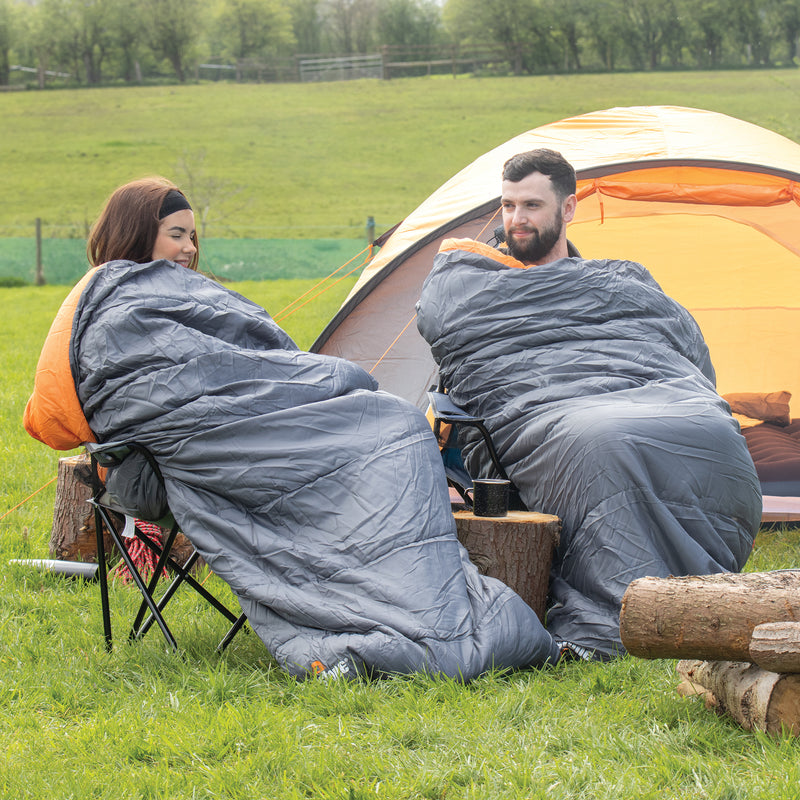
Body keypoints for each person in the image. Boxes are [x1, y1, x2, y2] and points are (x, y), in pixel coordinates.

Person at [23, 176, 563, 680]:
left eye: (193, 236)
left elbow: (257, 357)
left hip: (252, 426)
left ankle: (426, 610)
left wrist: (305, 383)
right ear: (138, 233)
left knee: (392, 424)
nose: (189, 249)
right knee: (388, 428)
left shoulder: (180, 293)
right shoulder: (116, 308)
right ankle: (398, 628)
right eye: (176, 235)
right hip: (191, 455)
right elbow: (158, 387)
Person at [416, 148, 762, 660]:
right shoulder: (475, 283)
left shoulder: (616, 280)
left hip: (648, 387)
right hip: (545, 407)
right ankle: (624, 614)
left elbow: (679, 341)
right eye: (508, 206)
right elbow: (449, 323)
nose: (517, 219)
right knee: (602, 440)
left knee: (709, 427)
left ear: (569, 208)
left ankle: (702, 603)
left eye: (531, 205)